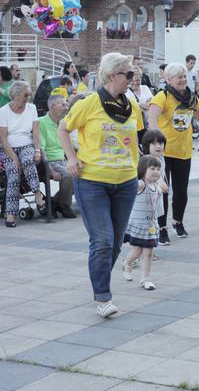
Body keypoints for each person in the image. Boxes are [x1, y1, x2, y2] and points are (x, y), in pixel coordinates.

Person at [57, 52, 144, 317]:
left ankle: (99, 281)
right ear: (111, 75)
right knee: (103, 240)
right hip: (93, 182)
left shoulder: (132, 105)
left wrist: (139, 174)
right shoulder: (90, 103)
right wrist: (71, 158)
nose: (133, 78)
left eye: (133, 74)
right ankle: (103, 297)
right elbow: (63, 128)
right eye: (128, 74)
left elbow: (135, 142)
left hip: (126, 183)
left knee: (116, 243)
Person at [149, 63, 199, 238]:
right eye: (179, 77)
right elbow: (152, 116)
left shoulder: (191, 98)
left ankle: (177, 222)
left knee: (181, 191)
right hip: (163, 152)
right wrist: (155, 139)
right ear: (168, 79)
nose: (183, 79)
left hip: (183, 150)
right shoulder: (162, 96)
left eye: (184, 76)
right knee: (163, 190)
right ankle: (161, 228)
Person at [0, 81, 47, 227]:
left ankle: (37, 193)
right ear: (15, 95)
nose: (28, 97)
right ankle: (11, 214)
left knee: (28, 160)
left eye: (29, 94)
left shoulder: (31, 108)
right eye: (26, 94)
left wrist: (37, 150)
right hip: (8, 148)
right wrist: (14, 158)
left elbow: (36, 132)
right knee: (13, 175)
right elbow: (2, 139)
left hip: (26, 145)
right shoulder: (3, 111)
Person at [121, 155, 162, 291]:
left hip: (151, 225)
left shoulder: (156, 186)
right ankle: (127, 263)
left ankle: (145, 279)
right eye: (152, 168)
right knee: (137, 250)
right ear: (143, 169)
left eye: (158, 168)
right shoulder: (141, 184)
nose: (156, 171)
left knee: (148, 253)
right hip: (138, 225)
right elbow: (130, 186)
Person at [38, 95, 76, 218]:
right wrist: (52, 170)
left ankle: (53, 202)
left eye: (67, 104)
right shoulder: (41, 122)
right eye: (63, 105)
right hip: (50, 162)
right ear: (52, 107)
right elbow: (41, 150)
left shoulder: (63, 123)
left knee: (84, 174)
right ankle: (64, 205)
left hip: (63, 160)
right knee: (70, 175)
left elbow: (69, 146)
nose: (66, 108)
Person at [141, 130, 170, 246]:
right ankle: (141, 250)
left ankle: (149, 248)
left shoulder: (161, 158)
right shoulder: (147, 160)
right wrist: (161, 184)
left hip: (156, 197)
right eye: (154, 143)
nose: (158, 146)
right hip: (147, 200)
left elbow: (161, 174)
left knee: (153, 224)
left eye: (161, 143)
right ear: (147, 145)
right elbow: (150, 177)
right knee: (149, 224)